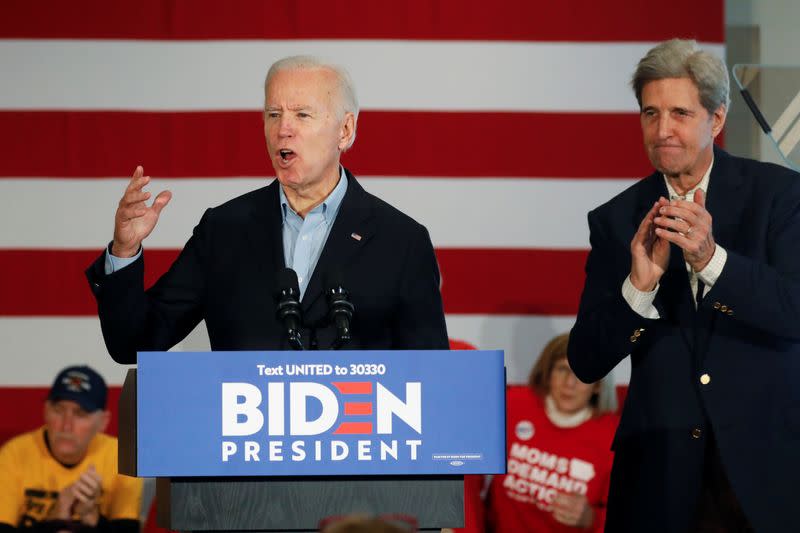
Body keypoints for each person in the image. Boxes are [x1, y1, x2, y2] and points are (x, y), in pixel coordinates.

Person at [568, 38, 800, 532]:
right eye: (650, 114)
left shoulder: (779, 196)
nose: (662, 130)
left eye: (680, 113)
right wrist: (638, 287)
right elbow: (586, 361)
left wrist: (711, 260)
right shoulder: (615, 220)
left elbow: (794, 311)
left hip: (764, 473)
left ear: (715, 120)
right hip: (659, 476)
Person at [85, 55, 448, 362]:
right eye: (273, 114)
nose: (283, 130)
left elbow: (432, 376)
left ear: (345, 130)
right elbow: (133, 344)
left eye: (302, 115)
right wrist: (125, 251)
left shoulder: (401, 241)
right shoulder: (224, 229)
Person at [459, 333, 618, 533]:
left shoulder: (613, 436)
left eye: (582, 374)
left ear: (598, 385)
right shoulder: (513, 403)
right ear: (548, 372)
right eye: (563, 369)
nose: (570, 383)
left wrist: (591, 518)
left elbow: (631, 515)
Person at [0, 366, 143, 531]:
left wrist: (92, 516)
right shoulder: (14, 454)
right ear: (46, 410)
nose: (66, 425)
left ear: (104, 421)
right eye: (58, 410)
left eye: (80, 413)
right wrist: (56, 518)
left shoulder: (121, 457)